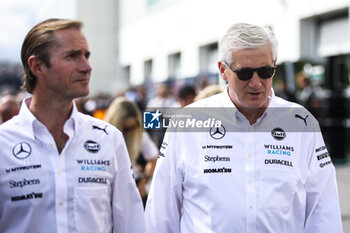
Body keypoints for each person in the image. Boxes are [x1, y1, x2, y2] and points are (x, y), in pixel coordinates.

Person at [145, 23, 343, 233]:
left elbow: (323, 211)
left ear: (274, 65)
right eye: (245, 73)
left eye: (266, 71)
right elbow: (161, 214)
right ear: (223, 71)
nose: (256, 82)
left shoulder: (302, 123)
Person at [0, 19, 144, 233]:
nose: (87, 67)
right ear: (37, 66)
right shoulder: (3, 143)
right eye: (72, 56)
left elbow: (132, 225)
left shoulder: (108, 139)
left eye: (86, 55)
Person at [104, 97, 158, 205]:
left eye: (133, 128)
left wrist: (143, 181)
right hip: (108, 185)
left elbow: (154, 158)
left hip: (133, 185)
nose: (128, 132)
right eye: (125, 128)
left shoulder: (139, 135)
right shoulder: (102, 134)